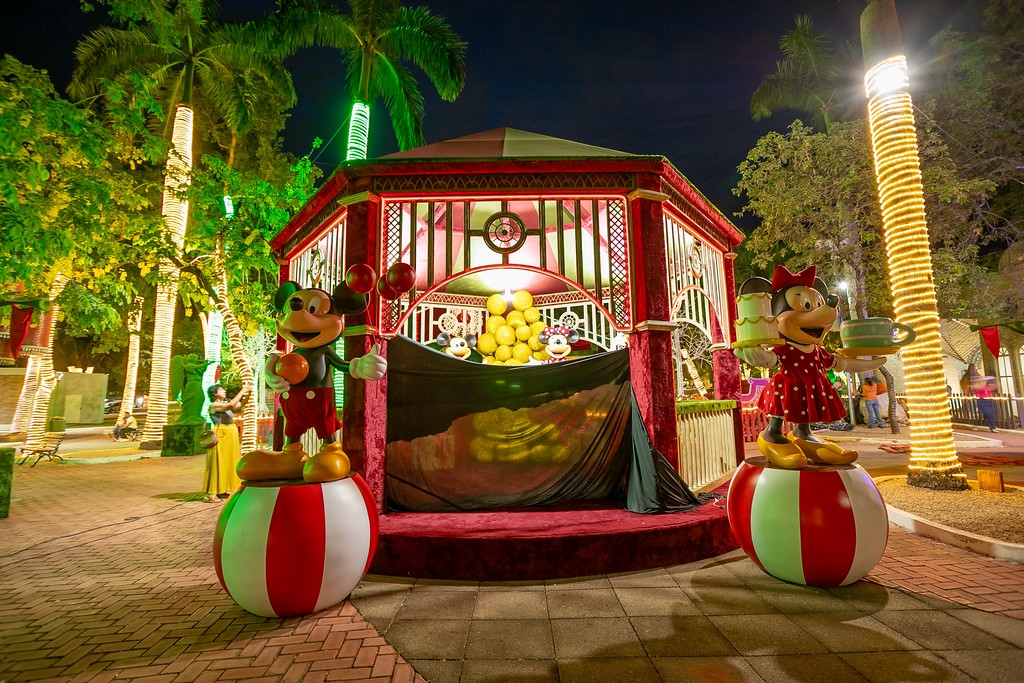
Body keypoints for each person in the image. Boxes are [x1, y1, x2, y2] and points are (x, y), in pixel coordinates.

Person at [204, 382, 250, 503]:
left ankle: (224, 489)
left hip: (230, 434)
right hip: (221, 435)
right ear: (215, 394)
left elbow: (240, 405)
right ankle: (212, 493)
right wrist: (242, 390)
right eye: (221, 390)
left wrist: (249, 393)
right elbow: (231, 404)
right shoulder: (214, 405)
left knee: (229, 462)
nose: (224, 391)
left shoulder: (224, 404)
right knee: (218, 462)